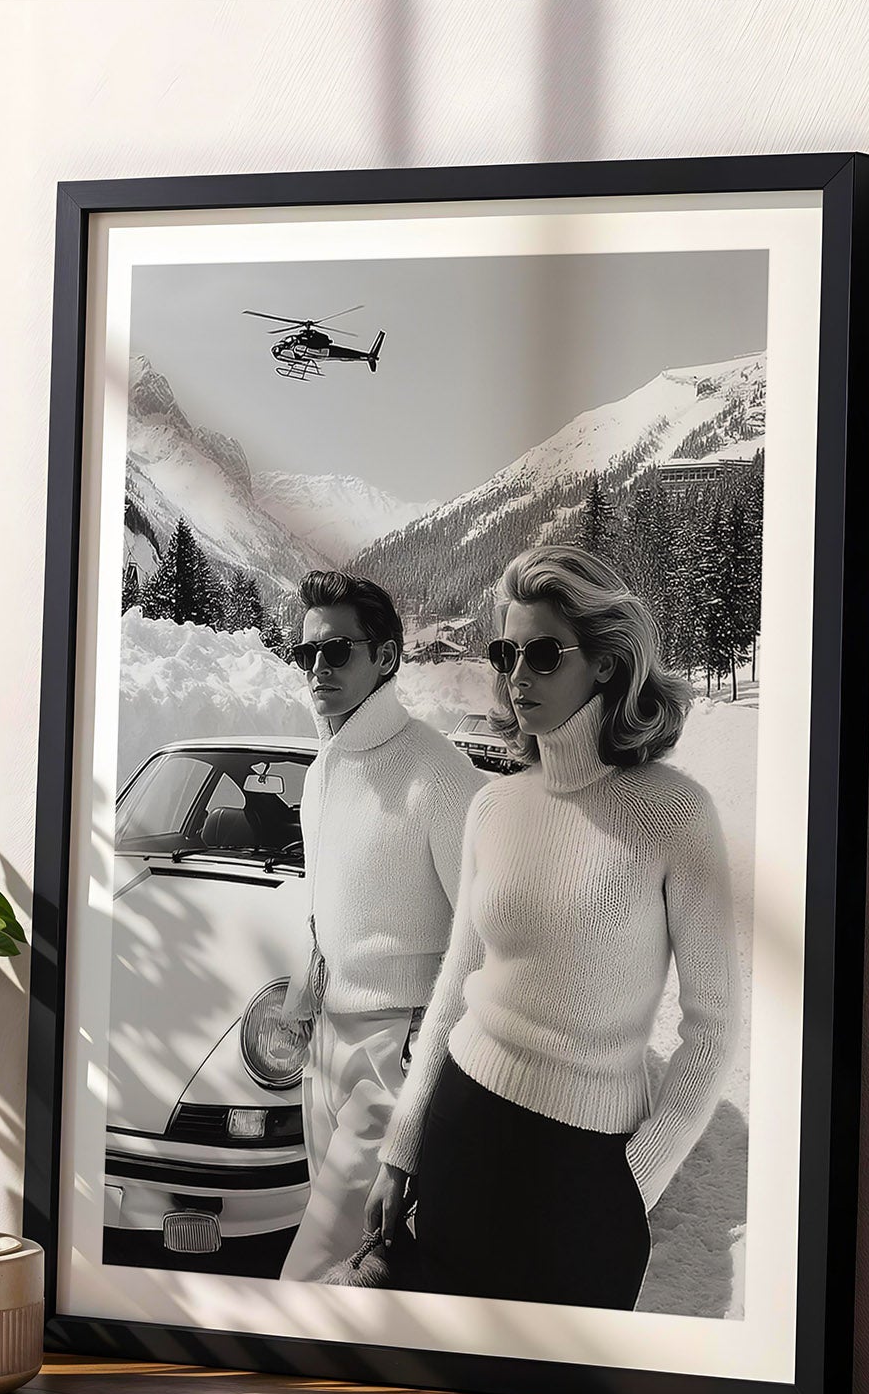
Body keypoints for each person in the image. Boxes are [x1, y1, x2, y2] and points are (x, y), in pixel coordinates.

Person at [366, 544, 734, 1311]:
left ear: (603, 663)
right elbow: (456, 989)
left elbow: (713, 1028)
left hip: (586, 1175)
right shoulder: (493, 808)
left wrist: (635, 1180)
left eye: (542, 654)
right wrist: (402, 1148)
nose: (517, 676)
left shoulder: (676, 814)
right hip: (462, 1133)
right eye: (507, 653)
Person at [277, 570, 486, 1282]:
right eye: (306, 655)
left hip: (397, 1057)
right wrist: (306, 992)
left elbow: (485, 948)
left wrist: (427, 1085)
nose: (317, 670)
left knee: (313, 1275)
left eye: (337, 652)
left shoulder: (442, 776)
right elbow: (326, 901)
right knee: (358, 1277)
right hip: (327, 1050)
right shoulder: (323, 770)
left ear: (388, 658)